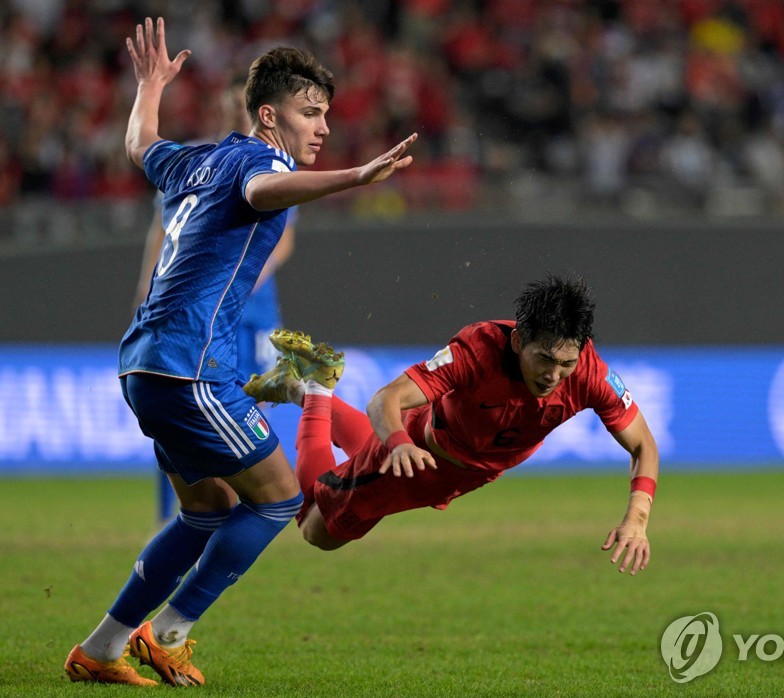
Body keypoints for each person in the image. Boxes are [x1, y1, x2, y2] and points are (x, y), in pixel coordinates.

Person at [65, 17, 416, 687]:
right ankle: (169, 631)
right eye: (309, 112)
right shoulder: (261, 163)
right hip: (190, 370)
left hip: (145, 361)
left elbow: (141, 144)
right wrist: (358, 176)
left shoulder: (198, 159)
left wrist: (149, 86)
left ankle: (101, 650)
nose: (322, 127)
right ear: (267, 113)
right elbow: (263, 193)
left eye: (326, 115)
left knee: (207, 509)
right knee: (280, 500)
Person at [245, 275, 658, 574]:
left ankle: (307, 389)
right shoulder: (478, 350)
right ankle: (315, 393)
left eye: (566, 363)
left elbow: (643, 446)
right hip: (420, 459)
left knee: (366, 456)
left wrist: (636, 519)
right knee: (316, 530)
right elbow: (385, 400)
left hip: (463, 471)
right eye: (544, 359)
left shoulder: (590, 373)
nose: (554, 375)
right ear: (518, 342)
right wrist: (399, 443)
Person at [134, 74, 298, 524]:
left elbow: (283, 242)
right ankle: (194, 512)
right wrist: (147, 292)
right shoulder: (203, 158)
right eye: (230, 108)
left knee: (246, 408)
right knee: (197, 416)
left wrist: (240, 284)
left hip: (250, 315)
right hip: (195, 320)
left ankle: (224, 508)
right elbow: (164, 236)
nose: (234, 115)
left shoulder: (270, 165)